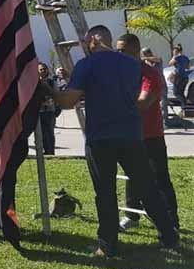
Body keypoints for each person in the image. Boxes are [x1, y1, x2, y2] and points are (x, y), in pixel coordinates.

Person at [46, 26, 179, 257]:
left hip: (101, 138)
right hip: (131, 136)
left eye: (87, 41)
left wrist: (45, 90)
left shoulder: (86, 65)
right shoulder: (131, 65)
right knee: (147, 188)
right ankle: (169, 237)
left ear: (93, 40)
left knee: (105, 193)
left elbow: (68, 101)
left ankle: (107, 246)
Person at [117, 34, 179, 233]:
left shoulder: (149, 74)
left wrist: (112, 106)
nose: (118, 55)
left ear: (135, 51)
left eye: (122, 51)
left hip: (150, 135)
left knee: (160, 178)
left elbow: (143, 104)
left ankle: (171, 223)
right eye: (116, 50)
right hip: (128, 135)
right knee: (132, 176)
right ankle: (132, 215)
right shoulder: (120, 73)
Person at [36, 63, 57, 155]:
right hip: (38, 112)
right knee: (40, 133)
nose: (43, 71)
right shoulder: (34, 83)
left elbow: (56, 94)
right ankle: (43, 150)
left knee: (50, 132)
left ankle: (50, 151)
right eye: (41, 69)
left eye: (44, 69)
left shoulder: (51, 82)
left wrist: (51, 102)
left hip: (49, 111)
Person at [141, 48, 169, 118]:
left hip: (161, 84)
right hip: (151, 86)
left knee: (163, 102)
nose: (144, 56)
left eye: (144, 54)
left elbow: (156, 59)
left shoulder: (157, 59)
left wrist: (144, 58)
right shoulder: (146, 62)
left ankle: (164, 119)